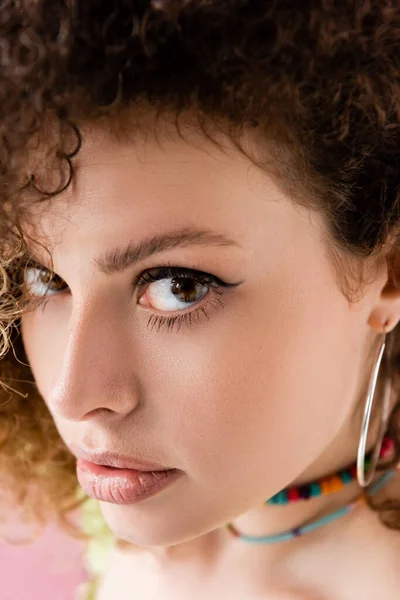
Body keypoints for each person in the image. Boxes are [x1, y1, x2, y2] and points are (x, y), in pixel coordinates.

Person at [1, 1, 400, 598]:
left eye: (177, 286)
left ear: (388, 273)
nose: (73, 395)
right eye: (42, 279)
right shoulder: (78, 525)